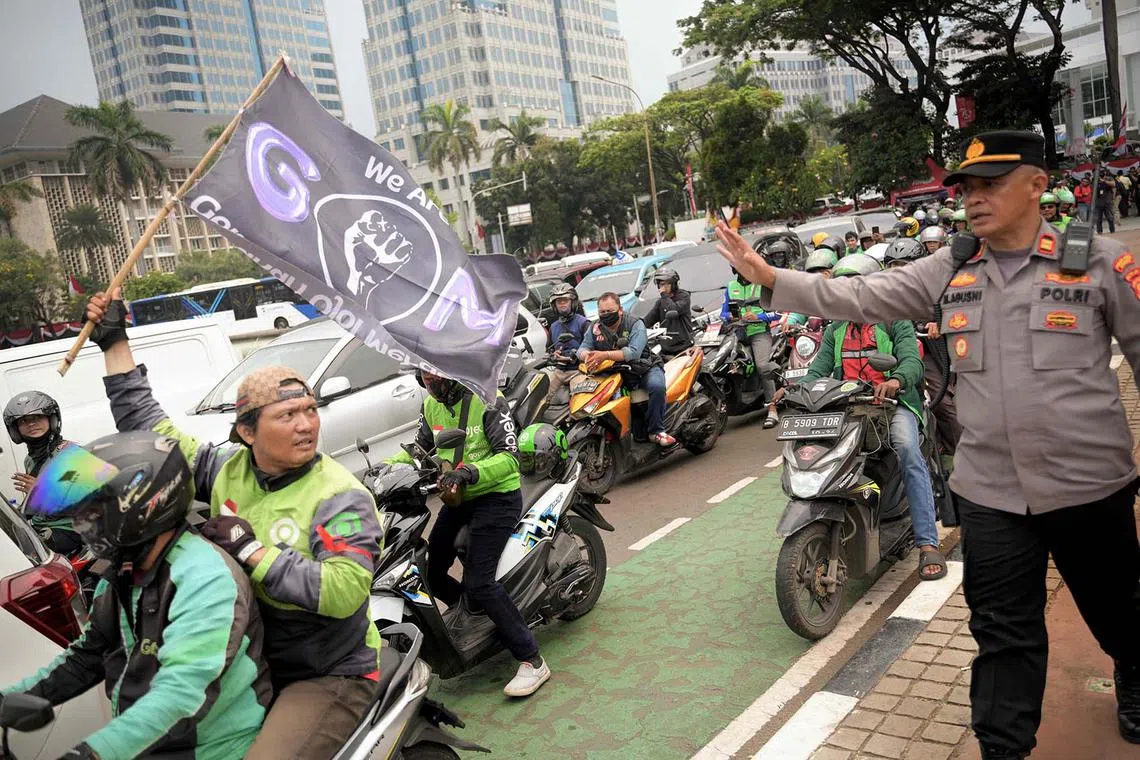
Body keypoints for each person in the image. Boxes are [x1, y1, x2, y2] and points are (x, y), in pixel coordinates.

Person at [714, 129, 1140, 760]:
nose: (974, 198)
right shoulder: (952, 266)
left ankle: (1132, 671)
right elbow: (860, 295)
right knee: (1001, 632)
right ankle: (1003, 747)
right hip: (991, 492)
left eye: (991, 184)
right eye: (967, 187)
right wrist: (770, 276)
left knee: (1117, 610)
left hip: (1088, 486)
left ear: (1036, 185)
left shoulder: (1098, 260)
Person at [83, 290, 385, 759]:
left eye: (310, 411)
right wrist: (113, 343)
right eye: (287, 415)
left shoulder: (339, 496)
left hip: (328, 671)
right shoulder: (228, 469)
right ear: (247, 432)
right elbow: (149, 429)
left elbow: (344, 593)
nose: (306, 425)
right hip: (254, 658)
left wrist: (253, 551)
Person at [2, 431, 273, 759]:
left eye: (93, 510)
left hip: (209, 749)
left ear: (139, 506)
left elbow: (181, 696)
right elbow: (86, 655)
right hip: (147, 744)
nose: (81, 522)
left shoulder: (204, 577)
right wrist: (6, 701)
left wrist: (91, 753)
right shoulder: (121, 571)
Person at [773, 252, 946, 582]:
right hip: (849, 408)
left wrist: (896, 381)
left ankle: (927, 543)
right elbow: (818, 371)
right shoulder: (837, 329)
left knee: (907, 449)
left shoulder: (896, 321)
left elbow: (912, 361)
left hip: (894, 406)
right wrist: (794, 389)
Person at [386, 371, 551, 697]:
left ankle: (532, 659)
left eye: (435, 379)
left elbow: (509, 458)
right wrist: (382, 471)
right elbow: (418, 448)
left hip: (497, 497)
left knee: (480, 581)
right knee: (429, 571)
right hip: (457, 497)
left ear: (452, 376)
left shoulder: (489, 400)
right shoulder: (431, 405)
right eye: (425, 379)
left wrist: (470, 472)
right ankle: (477, 614)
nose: (430, 386)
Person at [882, 237, 963, 456]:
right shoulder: (883, 293)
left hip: (929, 352)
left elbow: (958, 311)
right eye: (893, 266)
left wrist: (938, 322)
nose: (898, 272)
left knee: (941, 403)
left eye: (904, 266)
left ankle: (959, 454)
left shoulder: (937, 288)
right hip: (892, 357)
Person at [580, 292, 672, 445]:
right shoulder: (595, 327)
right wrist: (588, 356)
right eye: (602, 312)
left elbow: (633, 352)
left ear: (620, 310)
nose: (605, 315)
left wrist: (604, 355)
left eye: (609, 311)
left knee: (657, 387)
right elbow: (582, 348)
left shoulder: (635, 323)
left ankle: (656, 431)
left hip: (644, 368)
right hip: (616, 372)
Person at [3, 391, 80, 555]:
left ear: (51, 419)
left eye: (37, 417)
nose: (31, 424)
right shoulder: (29, 460)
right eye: (23, 421)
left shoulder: (71, 454)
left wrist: (43, 493)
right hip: (42, 525)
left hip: (69, 530)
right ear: (15, 429)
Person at [722, 265, 781, 428]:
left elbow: (777, 313)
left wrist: (758, 316)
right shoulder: (730, 287)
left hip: (760, 332)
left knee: (763, 367)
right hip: (738, 333)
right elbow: (723, 314)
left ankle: (772, 409)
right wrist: (732, 317)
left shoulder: (762, 286)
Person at [543, 283, 589, 405]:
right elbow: (549, 349)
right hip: (560, 371)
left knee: (578, 399)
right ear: (554, 305)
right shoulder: (553, 326)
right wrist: (554, 354)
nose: (562, 304)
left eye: (565, 300)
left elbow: (592, 347)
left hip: (579, 371)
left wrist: (577, 355)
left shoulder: (583, 323)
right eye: (559, 302)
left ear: (573, 302)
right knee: (542, 398)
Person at [643, 267, 694, 356]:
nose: (662, 288)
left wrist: (664, 295)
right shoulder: (661, 302)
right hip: (666, 348)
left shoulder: (684, 296)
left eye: (666, 284)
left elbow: (673, 309)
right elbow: (648, 320)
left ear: (674, 284)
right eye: (661, 285)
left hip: (684, 347)